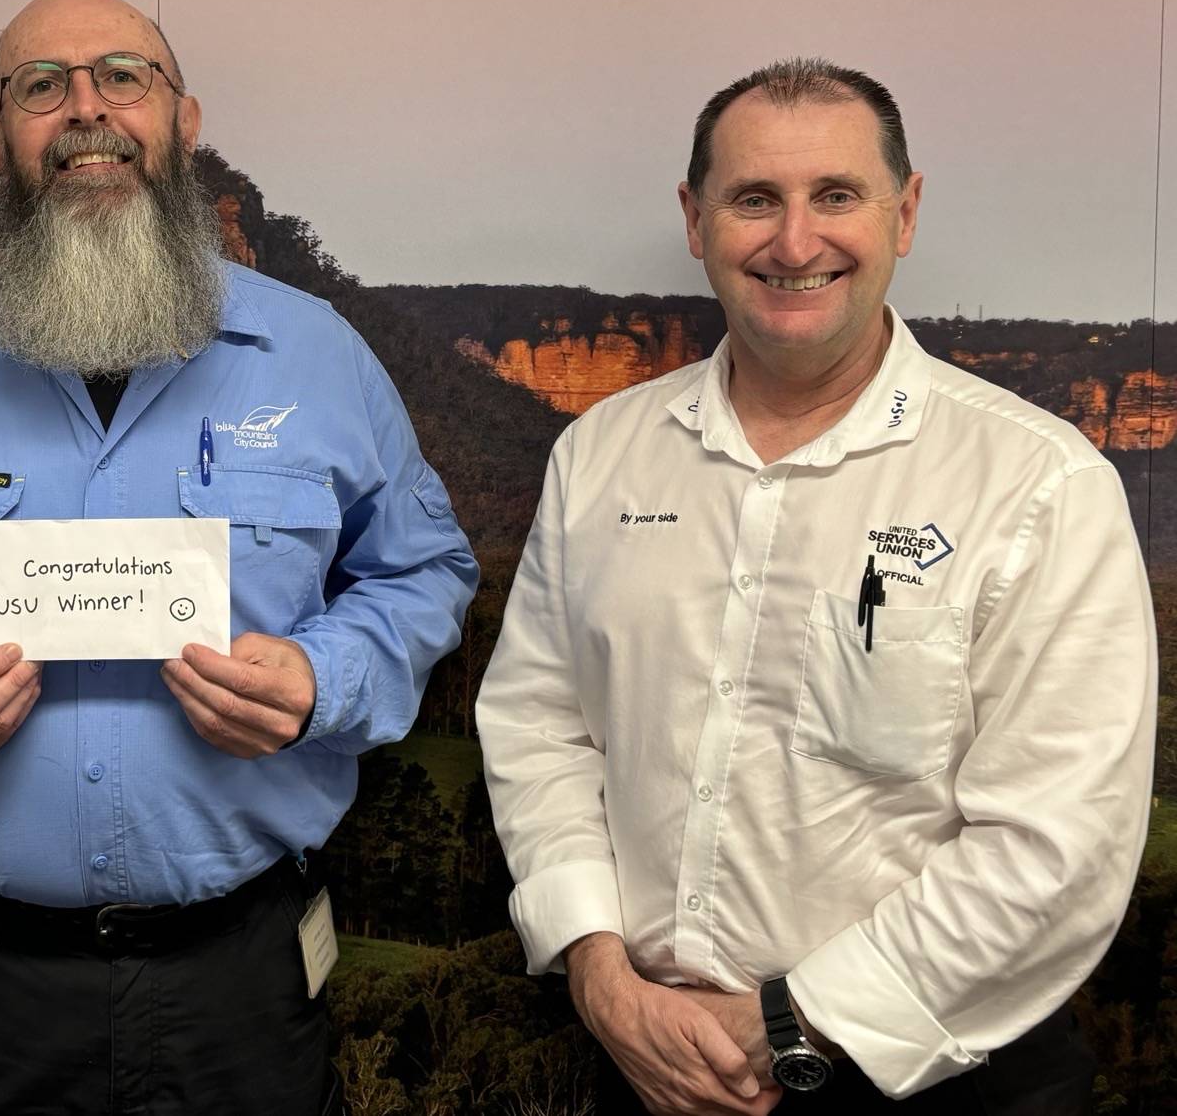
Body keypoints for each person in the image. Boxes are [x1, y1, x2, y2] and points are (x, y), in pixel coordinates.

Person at [0, 0, 479, 1115]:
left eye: (123, 75)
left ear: (183, 119)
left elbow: (423, 569)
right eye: (39, 85)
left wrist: (323, 678)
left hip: (238, 978)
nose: (84, 110)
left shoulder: (315, 353)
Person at [475, 58, 1154, 1114]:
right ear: (694, 219)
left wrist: (792, 1019)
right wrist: (597, 968)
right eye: (755, 199)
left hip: (934, 1078)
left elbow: (1055, 843)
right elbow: (539, 722)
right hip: (643, 1055)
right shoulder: (601, 455)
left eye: (835, 195)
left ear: (906, 210)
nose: (795, 242)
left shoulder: (1039, 484)